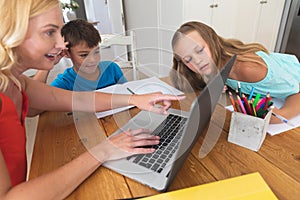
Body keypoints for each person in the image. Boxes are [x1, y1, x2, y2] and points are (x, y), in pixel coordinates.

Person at [0, 0, 184, 199]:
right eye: (49, 32)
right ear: (11, 31)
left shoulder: (16, 83)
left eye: (59, 31)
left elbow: (79, 100)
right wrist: (103, 150)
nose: (62, 44)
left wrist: (136, 98)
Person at [170, 21, 300, 124]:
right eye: (188, 60)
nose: (197, 61)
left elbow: (297, 93)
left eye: (199, 50)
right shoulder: (213, 65)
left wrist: (280, 116)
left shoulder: (247, 69)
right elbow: (182, 81)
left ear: (212, 42)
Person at [34, 19, 127, 91]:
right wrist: (47, 64)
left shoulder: (112, 69)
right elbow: (36, 99)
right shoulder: (65, 82)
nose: (93, 60)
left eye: (96, 52)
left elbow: (127, 91)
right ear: (66, 53)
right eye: (83, 55)